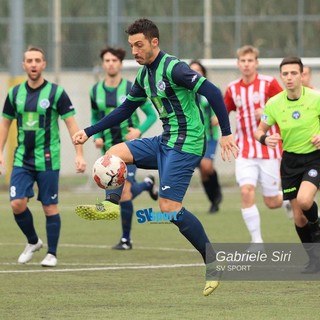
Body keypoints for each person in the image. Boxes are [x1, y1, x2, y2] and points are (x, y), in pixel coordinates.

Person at [72, 18, 238, 296]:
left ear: (154, 42)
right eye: (131, 46)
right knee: (114, 153)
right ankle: (112, 204)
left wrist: (226, 132)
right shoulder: (143, 75)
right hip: (164, 141)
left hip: (187, 144)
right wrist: (89, 131)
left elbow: (212, 91)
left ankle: (213, 262)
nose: (134, 51)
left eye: (139, 45)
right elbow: (124, 110)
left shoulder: (174, 68)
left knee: (169, 208)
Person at [0, 46, 86, 267]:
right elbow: (5, 124)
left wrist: (79, 154)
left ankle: (52, 254)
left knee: (50, 207)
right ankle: (33, 241)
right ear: (24, 65)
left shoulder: (56, 93)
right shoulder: (14, 94)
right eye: (29, 60)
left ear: (44, 64)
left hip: (48, 158)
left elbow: (71, 124)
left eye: (37, 60)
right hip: (22, 159)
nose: (34, 64)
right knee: (17, 204)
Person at [254, 56, 320, 273]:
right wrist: (265, 139)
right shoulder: (274, 103)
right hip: (290, 161)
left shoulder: (315, 98)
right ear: (281, 77)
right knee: (299, 216)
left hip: (314, 158)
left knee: (304, 199)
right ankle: (314, 260)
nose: (289, 77)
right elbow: (259, 130)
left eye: (294, 73)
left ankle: (318, 228)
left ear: (302, 75)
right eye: (285, 74)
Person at [90, 46, 158, 250]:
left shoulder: (131, 87)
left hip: (130, 150)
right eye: (107, 60)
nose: (110, 64)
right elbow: (96, 117)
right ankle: (146, 184)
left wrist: (138, 130)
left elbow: (152, 115)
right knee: (115, 197)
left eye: (114, 60)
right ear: (103, 64)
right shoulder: (95, 91)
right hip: (108, 152)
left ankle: (126, 240)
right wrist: (98, 137)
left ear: (120, 64)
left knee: (125, 193)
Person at [224, 45, 291, 250]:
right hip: (244, 150)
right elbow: (223, 111)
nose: (246, 64)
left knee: (271, 202)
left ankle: (288, 200)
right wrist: (218, 130)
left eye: (250, 60)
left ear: (257, 63)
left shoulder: (269, 84)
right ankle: (257, 241)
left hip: (269, 148)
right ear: (238, 64)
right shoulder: (232, 88)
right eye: (243, 61)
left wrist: (267, 112)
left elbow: (286, 105)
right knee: (246, 191)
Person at [189, 60, 222, 213]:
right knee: (203, 170)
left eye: (198, 70)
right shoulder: (185, 92)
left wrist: (218, 118)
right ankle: (213, 201)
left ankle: (217, 193)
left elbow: (219, 106)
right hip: (193, 138)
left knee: (206, 166)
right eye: (192, 70)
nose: (195, 73)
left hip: (209, 137)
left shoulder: (209, 90)